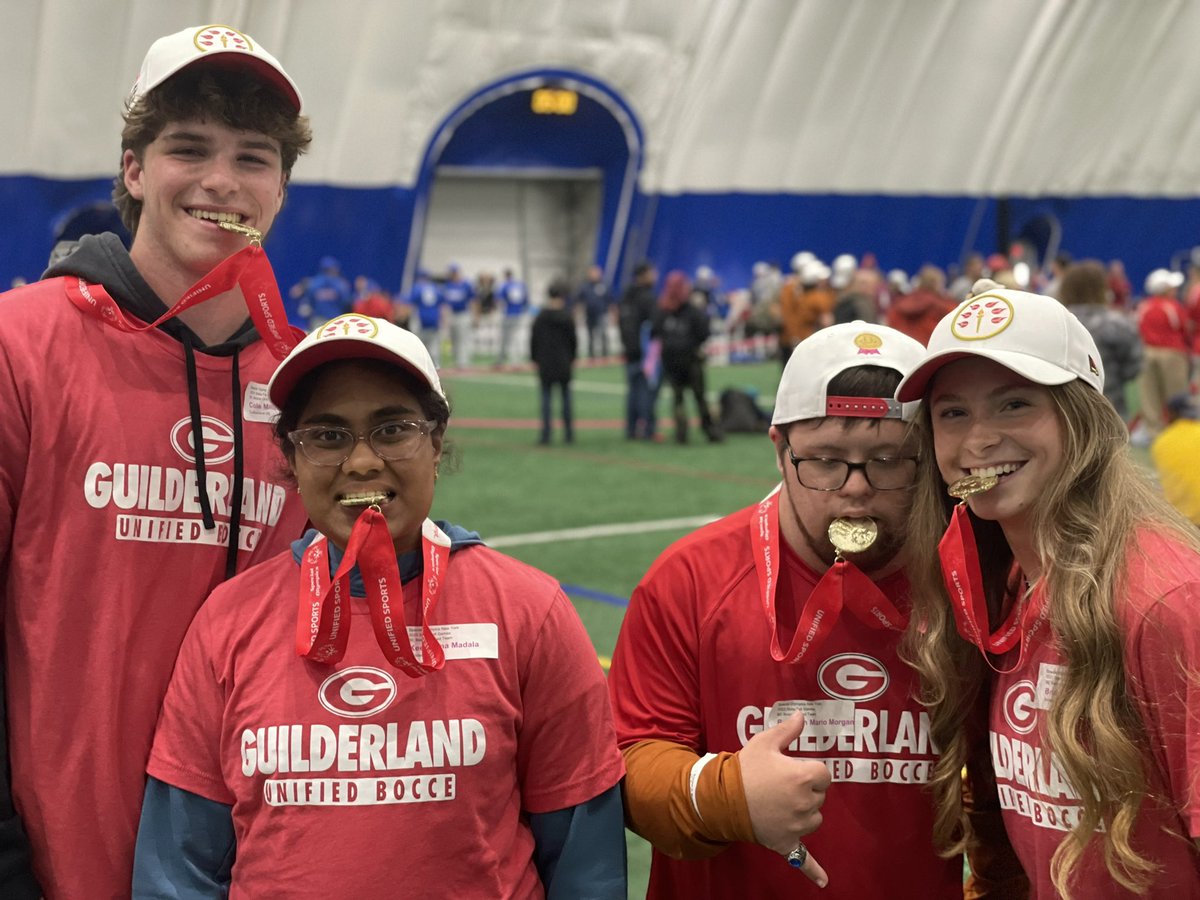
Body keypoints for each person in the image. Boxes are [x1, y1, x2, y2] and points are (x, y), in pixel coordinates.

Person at [133, 313, 627, 897]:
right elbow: (177, 869)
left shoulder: (528, 611)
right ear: (290, 459)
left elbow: (585, 863)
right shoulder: (227, 621)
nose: (363, 462)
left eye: (393, 429)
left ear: (436, 443)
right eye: (327, 435)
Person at [0, 24, 313, 898]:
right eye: (189, 149)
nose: (222, 181)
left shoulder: (311, 390)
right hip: (60, 864)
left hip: (266, 860)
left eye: (254, 157)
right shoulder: (19, 345)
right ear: (134, 170)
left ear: (280, 188)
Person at [608, 322, 977, 899]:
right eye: (827, 460)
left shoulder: (966, 579)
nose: (855, 489)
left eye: (889, 460)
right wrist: (726, 797)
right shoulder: (691, 580)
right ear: (780, 450)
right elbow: (627, 764)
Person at [895, 287, 1200, 898]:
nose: (978, 441)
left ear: (1080, 418)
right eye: (952, 413)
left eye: (1013, 405)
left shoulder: (1164, 601)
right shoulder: (1008, 580)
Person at [1057, 259, 1142, 419]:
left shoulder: (1054, 321)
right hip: (1110, 404)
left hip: (1061, 407)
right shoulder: (1118, 323)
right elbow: (1134, 367)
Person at [652, 270, 721, 444]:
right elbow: (704, 332)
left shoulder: (663, 310)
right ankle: (709, 431)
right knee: (698, 397)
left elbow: (655, 332)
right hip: (690, 361)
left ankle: (682, 433)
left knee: (679, 399)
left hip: (673, 363)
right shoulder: (691, 311)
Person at [1136, 268, 1190, 441]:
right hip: (1172, 353)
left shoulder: (1144, 306)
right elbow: (1184, 329)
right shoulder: (1172, 307)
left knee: (1149, 394)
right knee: (1176, 394)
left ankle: (1152, 431)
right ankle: (1178, 432)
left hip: (1147, 351)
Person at [530, 279, 579, 445]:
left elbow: (534, 340)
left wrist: (535, 358)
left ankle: (546, 434)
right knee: (565, 398)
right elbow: (573, 341)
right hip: (564, 362)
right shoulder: (567, 317)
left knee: (546, 400)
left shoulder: (541, 317)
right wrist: (572, 358)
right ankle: (569, 434)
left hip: (545, 363)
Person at [619, 260, 659, 440]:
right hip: (645, 352)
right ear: (643, 276)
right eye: (651, 273)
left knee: (633, 391)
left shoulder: (626, 297)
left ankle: (631, 429)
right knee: (645, 391)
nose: (654, 276)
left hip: (629, 350)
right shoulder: (647, 298)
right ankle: (648, 429)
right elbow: (655, 324)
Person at [292, 255, 352, 329]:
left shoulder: (314, 283)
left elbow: (309, 302)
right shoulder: (340, 284)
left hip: (317, 322)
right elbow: (346, 302)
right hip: (336, 321)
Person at [574, 264, 615, 359]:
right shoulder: (584, 287)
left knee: (603, 334)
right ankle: (591, 355)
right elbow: (578, 302)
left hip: (602, 314)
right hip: (589, 315)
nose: (594, 275)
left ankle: (605, 354)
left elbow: (611, 301)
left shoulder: (605, 285)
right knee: (590, 335)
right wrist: (576, 315)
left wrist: (614, 314)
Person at [407, 268, 444, 368]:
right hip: (433, 319)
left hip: (421, 320)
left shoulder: (417, 288)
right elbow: (442, 306)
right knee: (434, 347)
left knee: (418, 346)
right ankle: (436, 367)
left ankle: (419, 366)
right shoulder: (436, 288)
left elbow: (411, 304)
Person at [442, 263, 477, 368]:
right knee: (454, 338)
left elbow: (473, 301)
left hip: (463, 314)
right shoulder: (448, 285)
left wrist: (475, 316)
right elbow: (445, 303)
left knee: (463, 338)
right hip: (452, 314)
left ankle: (464, 361)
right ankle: (457, 360)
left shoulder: (466, 284)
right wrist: (445, 317)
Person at [496, 267, 530, 367]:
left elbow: (499, 300)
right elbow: (526, 301)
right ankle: (516, 360)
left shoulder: (504, 285)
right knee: (517, 337)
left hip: (508, 314)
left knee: (506, 338)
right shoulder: (521, 285)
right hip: (519, 313)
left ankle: (503, 359)